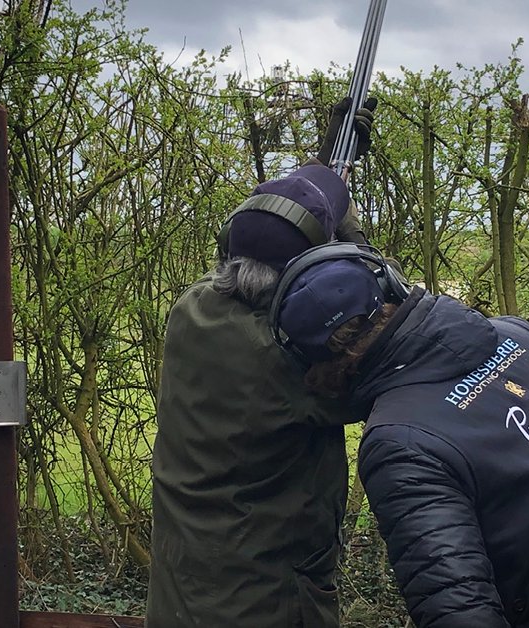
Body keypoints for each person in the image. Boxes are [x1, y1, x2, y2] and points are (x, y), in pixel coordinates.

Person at [272, 244, 529, 628]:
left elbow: (459, 613)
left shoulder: (397, 441)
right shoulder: (520, 335)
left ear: (315, 365)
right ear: (391, 287)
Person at [147, 100, 376, 627]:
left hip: (181, 600)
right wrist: (352, 240)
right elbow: (388, 331)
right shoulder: (292, 362)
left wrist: (326, 172)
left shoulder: (192, 310)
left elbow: (269, 233)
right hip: (266, 606)